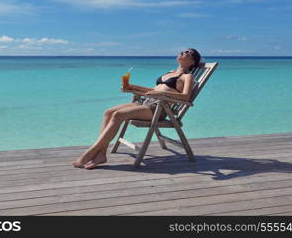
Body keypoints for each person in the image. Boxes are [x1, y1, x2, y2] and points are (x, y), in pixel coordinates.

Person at [72, 48, 202, 169]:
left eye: (187, 53)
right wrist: (132, 87)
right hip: (145, 102)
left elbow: (185, 97)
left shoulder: (187, 76)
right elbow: (153, 90)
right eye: (182, 51)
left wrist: (162, 94)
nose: (183, 52)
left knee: (118, 114)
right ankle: (101, 155)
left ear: (192, 61)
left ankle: (91, 151)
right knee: (108, 112)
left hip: (158, 108)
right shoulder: (169, 73)